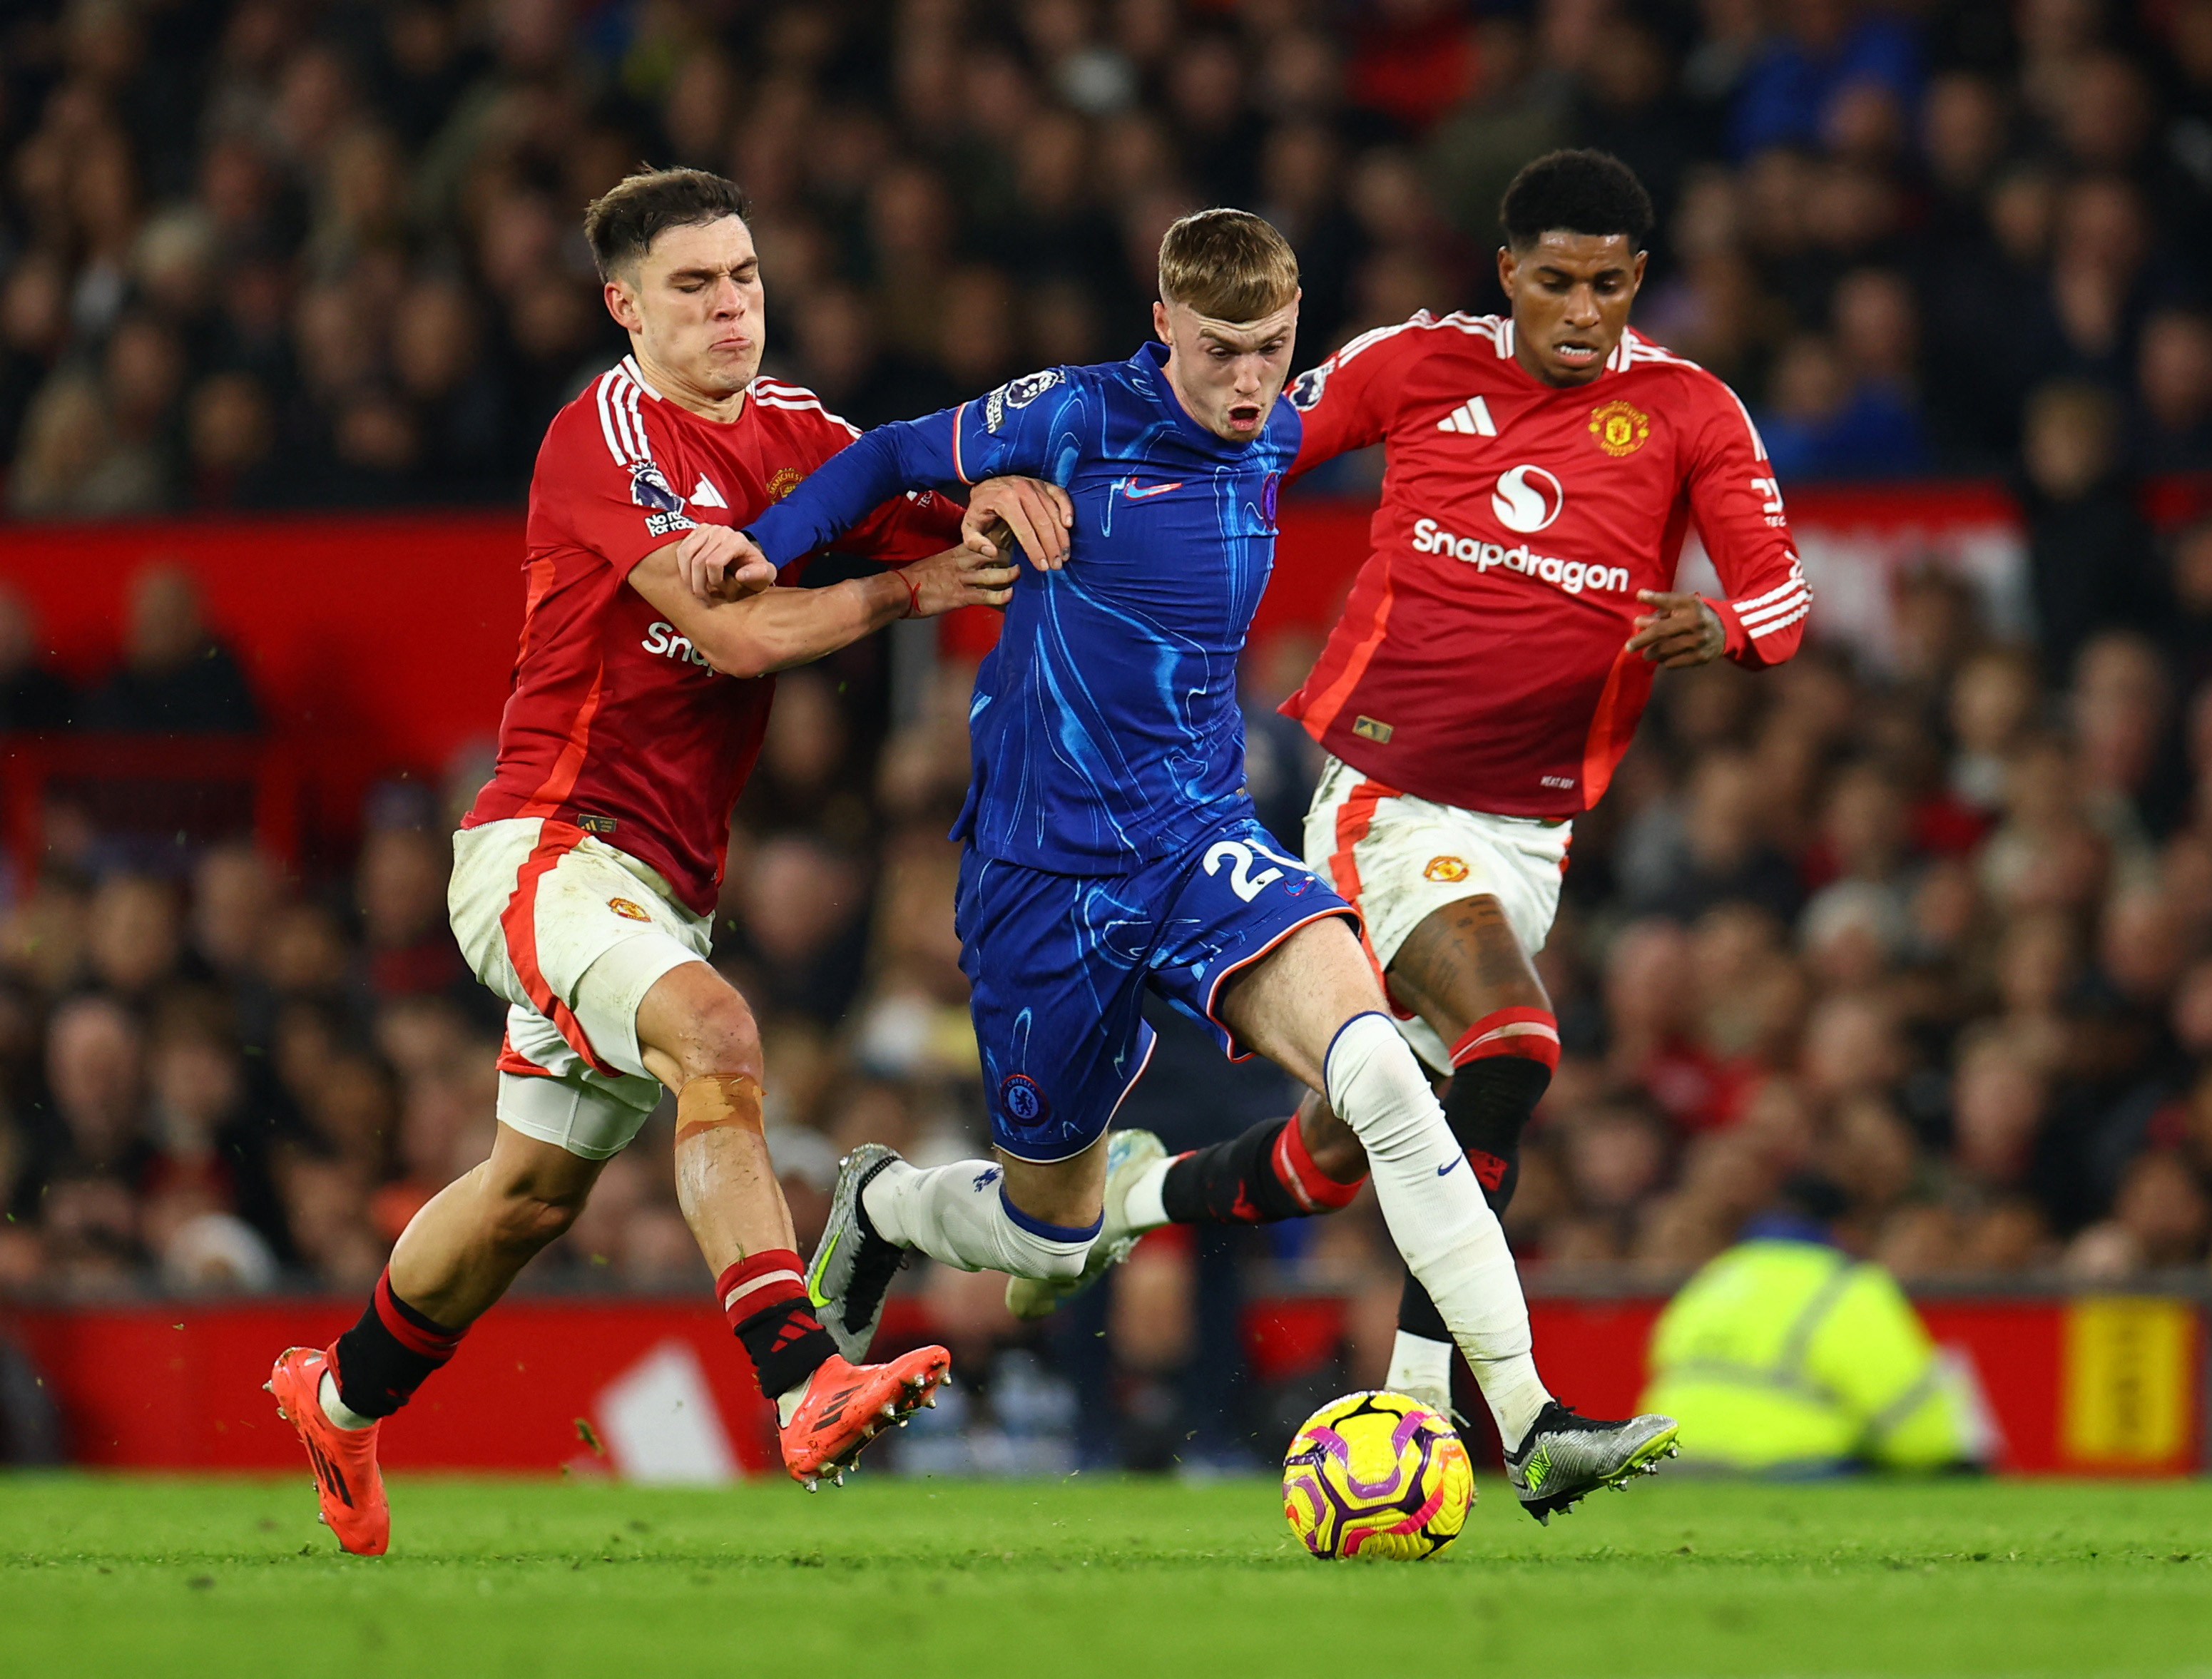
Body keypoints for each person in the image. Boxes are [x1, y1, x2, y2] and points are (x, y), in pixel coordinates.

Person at [684, 208, 1679, 1523]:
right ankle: (886, 1205)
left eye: (1270, 348)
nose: (1247, 382)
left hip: (1200, 834)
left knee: (1382, 1065)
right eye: (1218, 351)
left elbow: (1477, 377)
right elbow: (885, 457)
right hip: (1040, 874)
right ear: (1164, 326)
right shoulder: (1073, 415)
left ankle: (1529, 1419)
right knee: (1054, 1228)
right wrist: (780, 542)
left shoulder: (1280, 427)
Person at [266, 167, 1046, 1556]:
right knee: (719, 1034)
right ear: (626, 306)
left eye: (743, 275)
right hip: (542, 847)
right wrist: (907, 589)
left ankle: (338, 1393)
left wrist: (1017, 510)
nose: (731, 305)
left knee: (526, 1200)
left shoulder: (807, 435)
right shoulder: (601, 434)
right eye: (694, 284)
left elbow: (945, 513)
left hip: (660, 885)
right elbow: (740, 635)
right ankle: (805, 1379)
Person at [1006, 150, 1810, 1427]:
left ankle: (1128, 1200)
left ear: (1638, 280)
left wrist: (1725, 628)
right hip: (1389, 802)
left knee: (1337, 1156)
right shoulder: (1416, 362)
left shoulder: (1690, 410)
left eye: (1608, 284)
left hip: (1533, 834)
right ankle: (1459, 1409)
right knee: (1513, 1041)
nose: (1582, 310)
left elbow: (1782, 594)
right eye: (1555, 282)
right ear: (1508, 275)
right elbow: (1238, 435)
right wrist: (1052, 482)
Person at [1639, 1179, 1989, 1474]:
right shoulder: (1847, 1288)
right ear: (1845, 1230)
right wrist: (1960, 1462)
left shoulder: (1715, 1278)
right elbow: (1917, 1428)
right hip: (1784, 1469)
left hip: (1672, 1465)